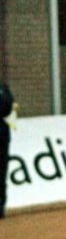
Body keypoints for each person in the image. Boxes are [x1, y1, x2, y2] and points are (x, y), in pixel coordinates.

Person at [0, 79, 16, 218]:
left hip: (2, 135)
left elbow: (8, 105)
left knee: (1, 173)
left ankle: (1, 207)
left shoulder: (3, 87)